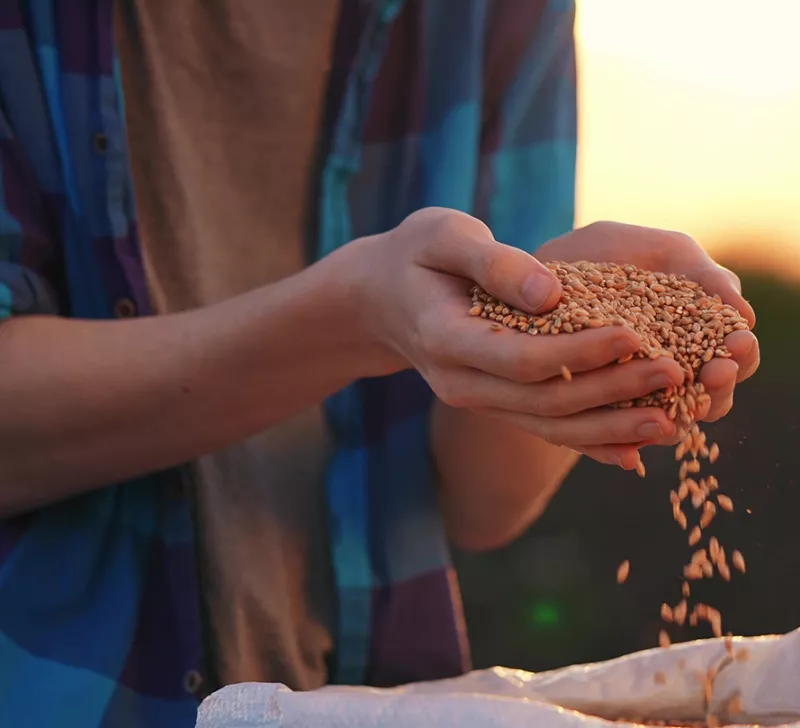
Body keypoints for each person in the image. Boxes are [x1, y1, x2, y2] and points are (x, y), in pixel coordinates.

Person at [0, 1, 759, 726]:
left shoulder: (504, 10)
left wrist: (557, 348)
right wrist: (351, 321)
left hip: (365, 689)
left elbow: (478, 502)